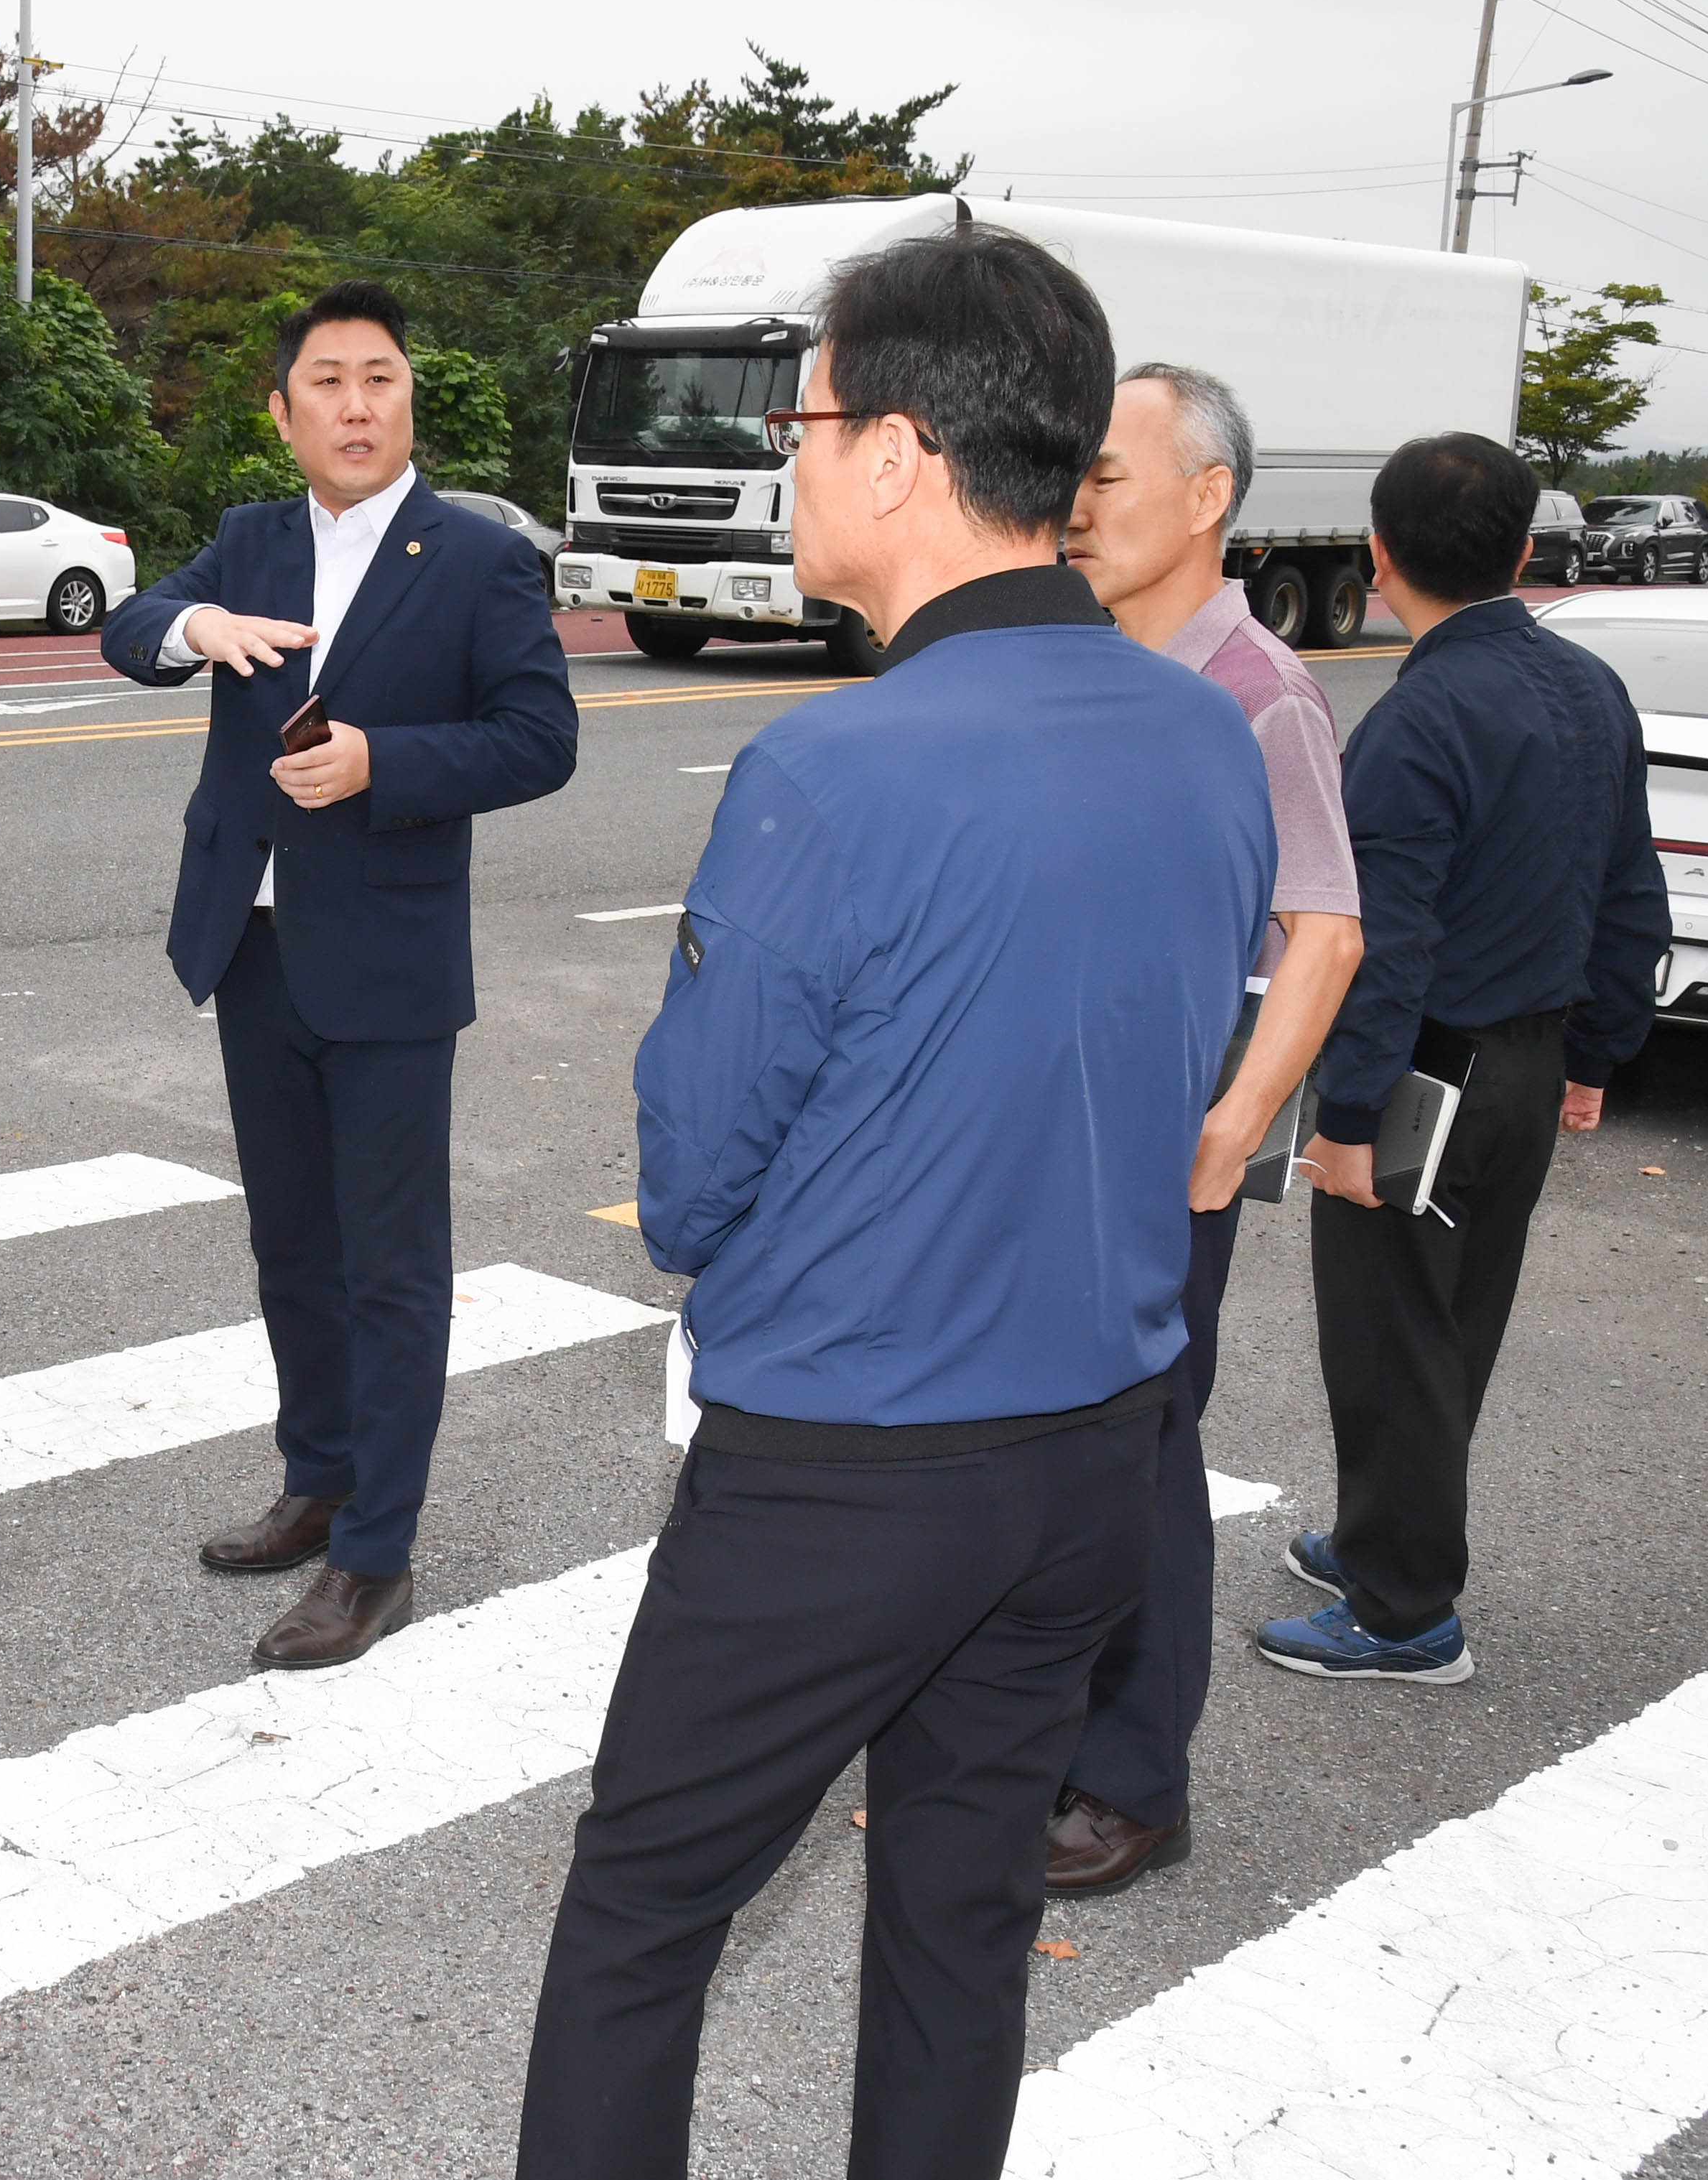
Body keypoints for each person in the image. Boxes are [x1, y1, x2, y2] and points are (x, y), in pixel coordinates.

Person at [516, 228, 1271, 2179]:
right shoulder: (1204, 731)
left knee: (642, 1914)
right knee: (957, 1921)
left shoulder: (832, 764)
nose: (788, 459)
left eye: (804, 420)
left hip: (847, 1457)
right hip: (1095, 1440)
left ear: (897, 452)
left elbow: (693, 1165)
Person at [100, 279, 575, 1669]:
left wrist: (384, 762)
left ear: (407, 399)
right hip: (250, 942)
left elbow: (539, 738)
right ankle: (316, 1480)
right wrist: (195, 628)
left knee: (390, 1265)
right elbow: (134, 627)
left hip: (386, 957)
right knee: (291, 1244)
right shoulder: (250, 539)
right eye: (327, 381)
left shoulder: (477, 558)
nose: (355, 405)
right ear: (283, 411)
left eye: (379, 379)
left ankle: (376, 1552)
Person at [1267, 432, 1668, 1682]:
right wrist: (1598, 1050)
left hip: (1423, 1075)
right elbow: (1628, 888)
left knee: (1390, 1334)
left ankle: (1402, 1612)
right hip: (1529, 1064)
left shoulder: (1419, 717)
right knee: (1455, 1323)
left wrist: (1343, 1116)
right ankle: (1383, 1540)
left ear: (1378, 555)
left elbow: (1386, 944)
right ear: (1523, 548)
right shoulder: (1590, 688)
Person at [1049, 364, 1364, 1895]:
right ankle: (1031, 1741)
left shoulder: (1258, 693)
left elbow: (1326, 933)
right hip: (1053, 1130)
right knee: (1043, 1448)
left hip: (1162, 1152)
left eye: (1107, 474)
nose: (1075, 504)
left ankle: (1133, 1783)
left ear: (1208, 496)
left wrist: (1230, 1131)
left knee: (1144, 1453)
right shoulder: (1089, 663)